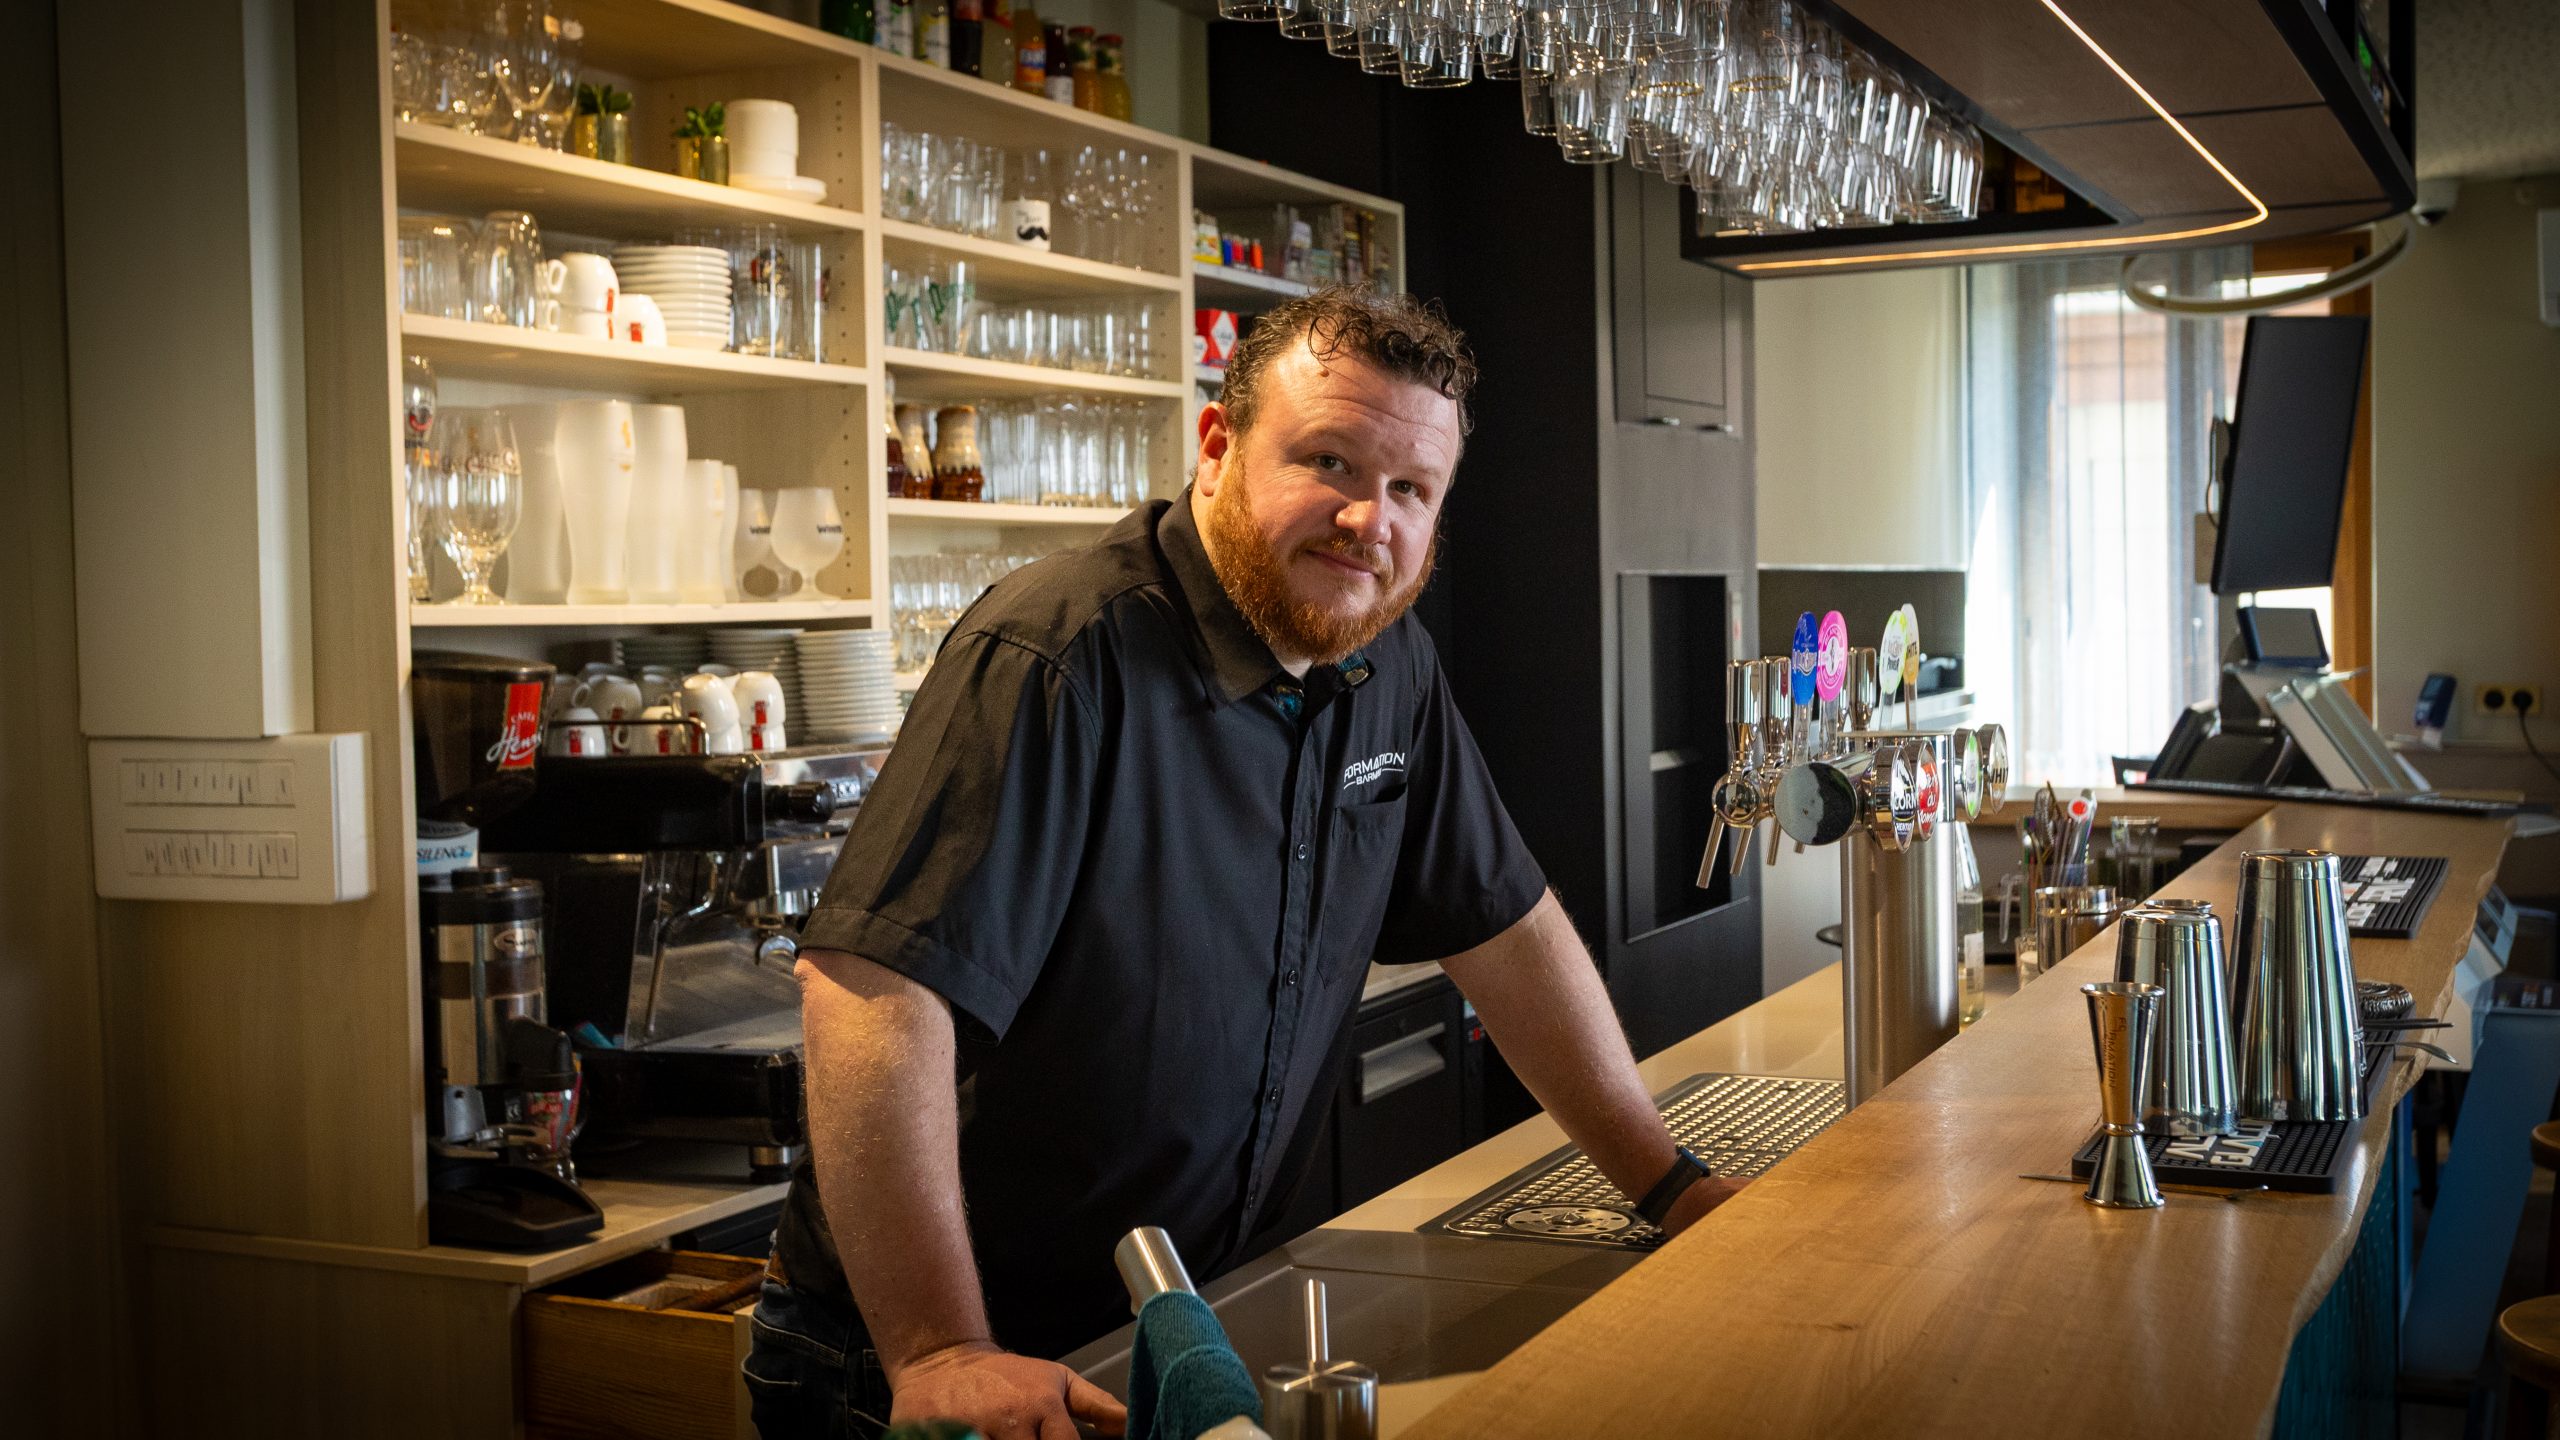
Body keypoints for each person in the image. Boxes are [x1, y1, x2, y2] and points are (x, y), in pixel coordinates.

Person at [748, 287, 1746, 1440]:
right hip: (930, 1369)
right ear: (1218, 450)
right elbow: (872, 992)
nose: (1368, 519)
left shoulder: (1386, 665)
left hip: (1160, 1334)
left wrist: (1669, 1187)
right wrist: (941, 1347)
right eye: (1328, 461)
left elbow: (1505, 930)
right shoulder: (1062, 653)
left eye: (1410, 490)